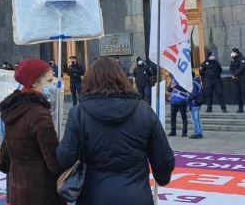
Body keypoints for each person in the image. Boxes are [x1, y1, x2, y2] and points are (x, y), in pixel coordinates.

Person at [57, 58, 175, 205]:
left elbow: (65, 158)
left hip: (94, 196)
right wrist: (162, 176)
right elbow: (163, 158)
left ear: (89, 80)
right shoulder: (144, 110)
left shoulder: (79, 113)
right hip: (136, 196)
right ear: (122, 78)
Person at [0, 59, 64, 205]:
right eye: (49, 80)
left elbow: (5, 153)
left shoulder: (13, 109)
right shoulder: (38, 113)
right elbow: (53, 160)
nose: (52, 84)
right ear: (35, 82)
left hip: (18, 185)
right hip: (41, 189)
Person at [229, 48, 245, 113]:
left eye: (233, 52)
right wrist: (232, 74)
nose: (232, 53)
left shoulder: (242, 58)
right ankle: (240, 108)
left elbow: (242, 68)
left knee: (244, 93)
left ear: (236, 53)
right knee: (238, 94)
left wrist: (235, 74)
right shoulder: (232, 60)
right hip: (236, 79)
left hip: (243, 78)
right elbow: (230, 68)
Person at [188, 73, 204, 139]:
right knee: (197, 119)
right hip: (197, 103)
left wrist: (189, 98)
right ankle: (199, 132)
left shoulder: (193, 83)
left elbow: (194, 94)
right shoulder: (197, 82)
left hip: (194, 103)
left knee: (194, 119)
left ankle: (197, 133)